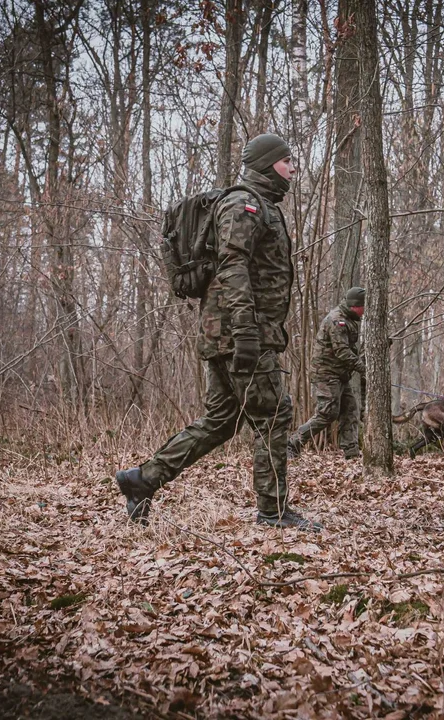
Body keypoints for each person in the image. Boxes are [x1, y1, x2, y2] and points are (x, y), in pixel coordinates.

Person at [115, 133, 322, 531]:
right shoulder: (243, 205)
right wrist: (246, 333)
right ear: (265, 165)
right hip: (240, 334)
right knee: (274, 414)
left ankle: (141, 481)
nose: (293, 168)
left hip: (231, 333)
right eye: (286, 161)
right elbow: (232, 268)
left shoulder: (260, 206)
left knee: (221, 420)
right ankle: (273, 511)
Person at [287, 287, 365, 460]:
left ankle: (351, 452)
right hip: (326, 373)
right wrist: (363, 369)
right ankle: (293, 442)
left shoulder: (350, 319)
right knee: (327, 412)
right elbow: (342, 352)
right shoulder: (337, 320)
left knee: (350, 409)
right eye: (363, 306)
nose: (365, 310)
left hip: (339, 375)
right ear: (355, 306)